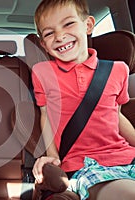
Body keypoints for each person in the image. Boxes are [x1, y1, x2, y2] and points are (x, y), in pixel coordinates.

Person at [31, 0, 135, 199]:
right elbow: (45, 115)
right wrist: (53, 156)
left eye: (68, 24)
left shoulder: (118, 69)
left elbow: (117, 115)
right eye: (49, 33)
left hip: (127, 156)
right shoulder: (42, 72)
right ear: (43, 44)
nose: (60, 36)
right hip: (86, 164)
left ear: (88, 25)